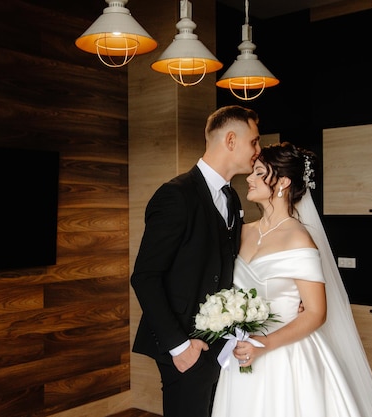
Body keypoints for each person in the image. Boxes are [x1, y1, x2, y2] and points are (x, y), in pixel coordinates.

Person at [211, 142, 372, 417]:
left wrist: (264, 344)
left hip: (285, 356)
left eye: (259, 173)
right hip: (242, 352)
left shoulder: (298, 237)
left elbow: (316, 313)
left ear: (282, 182)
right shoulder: (243, 232)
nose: (249, 178)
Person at [130, 105, 261, 417]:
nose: (258, 149)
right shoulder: (175, 195)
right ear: (231, 140)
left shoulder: (232, 197)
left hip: (220, 345)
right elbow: (145, 276)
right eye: (254, 141)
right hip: (185, 346)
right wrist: (180, 346)